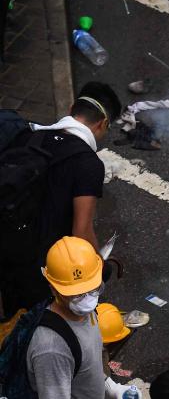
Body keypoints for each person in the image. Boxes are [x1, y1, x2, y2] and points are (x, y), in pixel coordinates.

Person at [0, 81, 121, 318]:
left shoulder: (33, 136)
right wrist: (99, 266)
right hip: (44, 267)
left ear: (71, 109)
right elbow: (81, 232)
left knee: (14, 320)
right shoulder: (88, 163)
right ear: (103, 123)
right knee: (39, 325)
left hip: (9, 246)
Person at [26, 236, 106, 398]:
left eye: (93, 289)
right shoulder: (51, 349)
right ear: (54, 290)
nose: (88, 299)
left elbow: (89, 364)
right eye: (76, 294)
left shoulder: (84, 312)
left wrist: (109, 385)